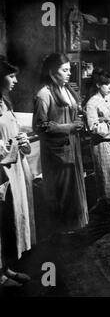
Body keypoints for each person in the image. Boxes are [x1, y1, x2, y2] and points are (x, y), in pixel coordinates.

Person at [33, 53, 88, 234]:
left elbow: (74, 110)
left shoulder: (67, 89)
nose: (69, 73)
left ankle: (73, 224)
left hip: (72, 144)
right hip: (57, 150)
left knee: (73, 186)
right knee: (62, 189)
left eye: (69, 70)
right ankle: (61, 229)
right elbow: (40, 126)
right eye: (64, 70)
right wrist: (69, 127)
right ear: (51, 72)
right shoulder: (44, 94)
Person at [0, 60, 35, 287]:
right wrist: (11, 144)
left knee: (9, 220)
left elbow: (10, 132)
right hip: (2, 173)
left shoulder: (4, 103)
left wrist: (21, 139)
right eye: (11, 76)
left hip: (13, 169)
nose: (16, 80)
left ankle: (5, 268)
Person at [85, 68, 110, 203]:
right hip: (102, 144)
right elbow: (93, 127)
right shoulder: (92, 103)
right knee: (107, 178)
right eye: (106, 84)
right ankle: (106, 205)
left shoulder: (108, 99)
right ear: (98, 85)